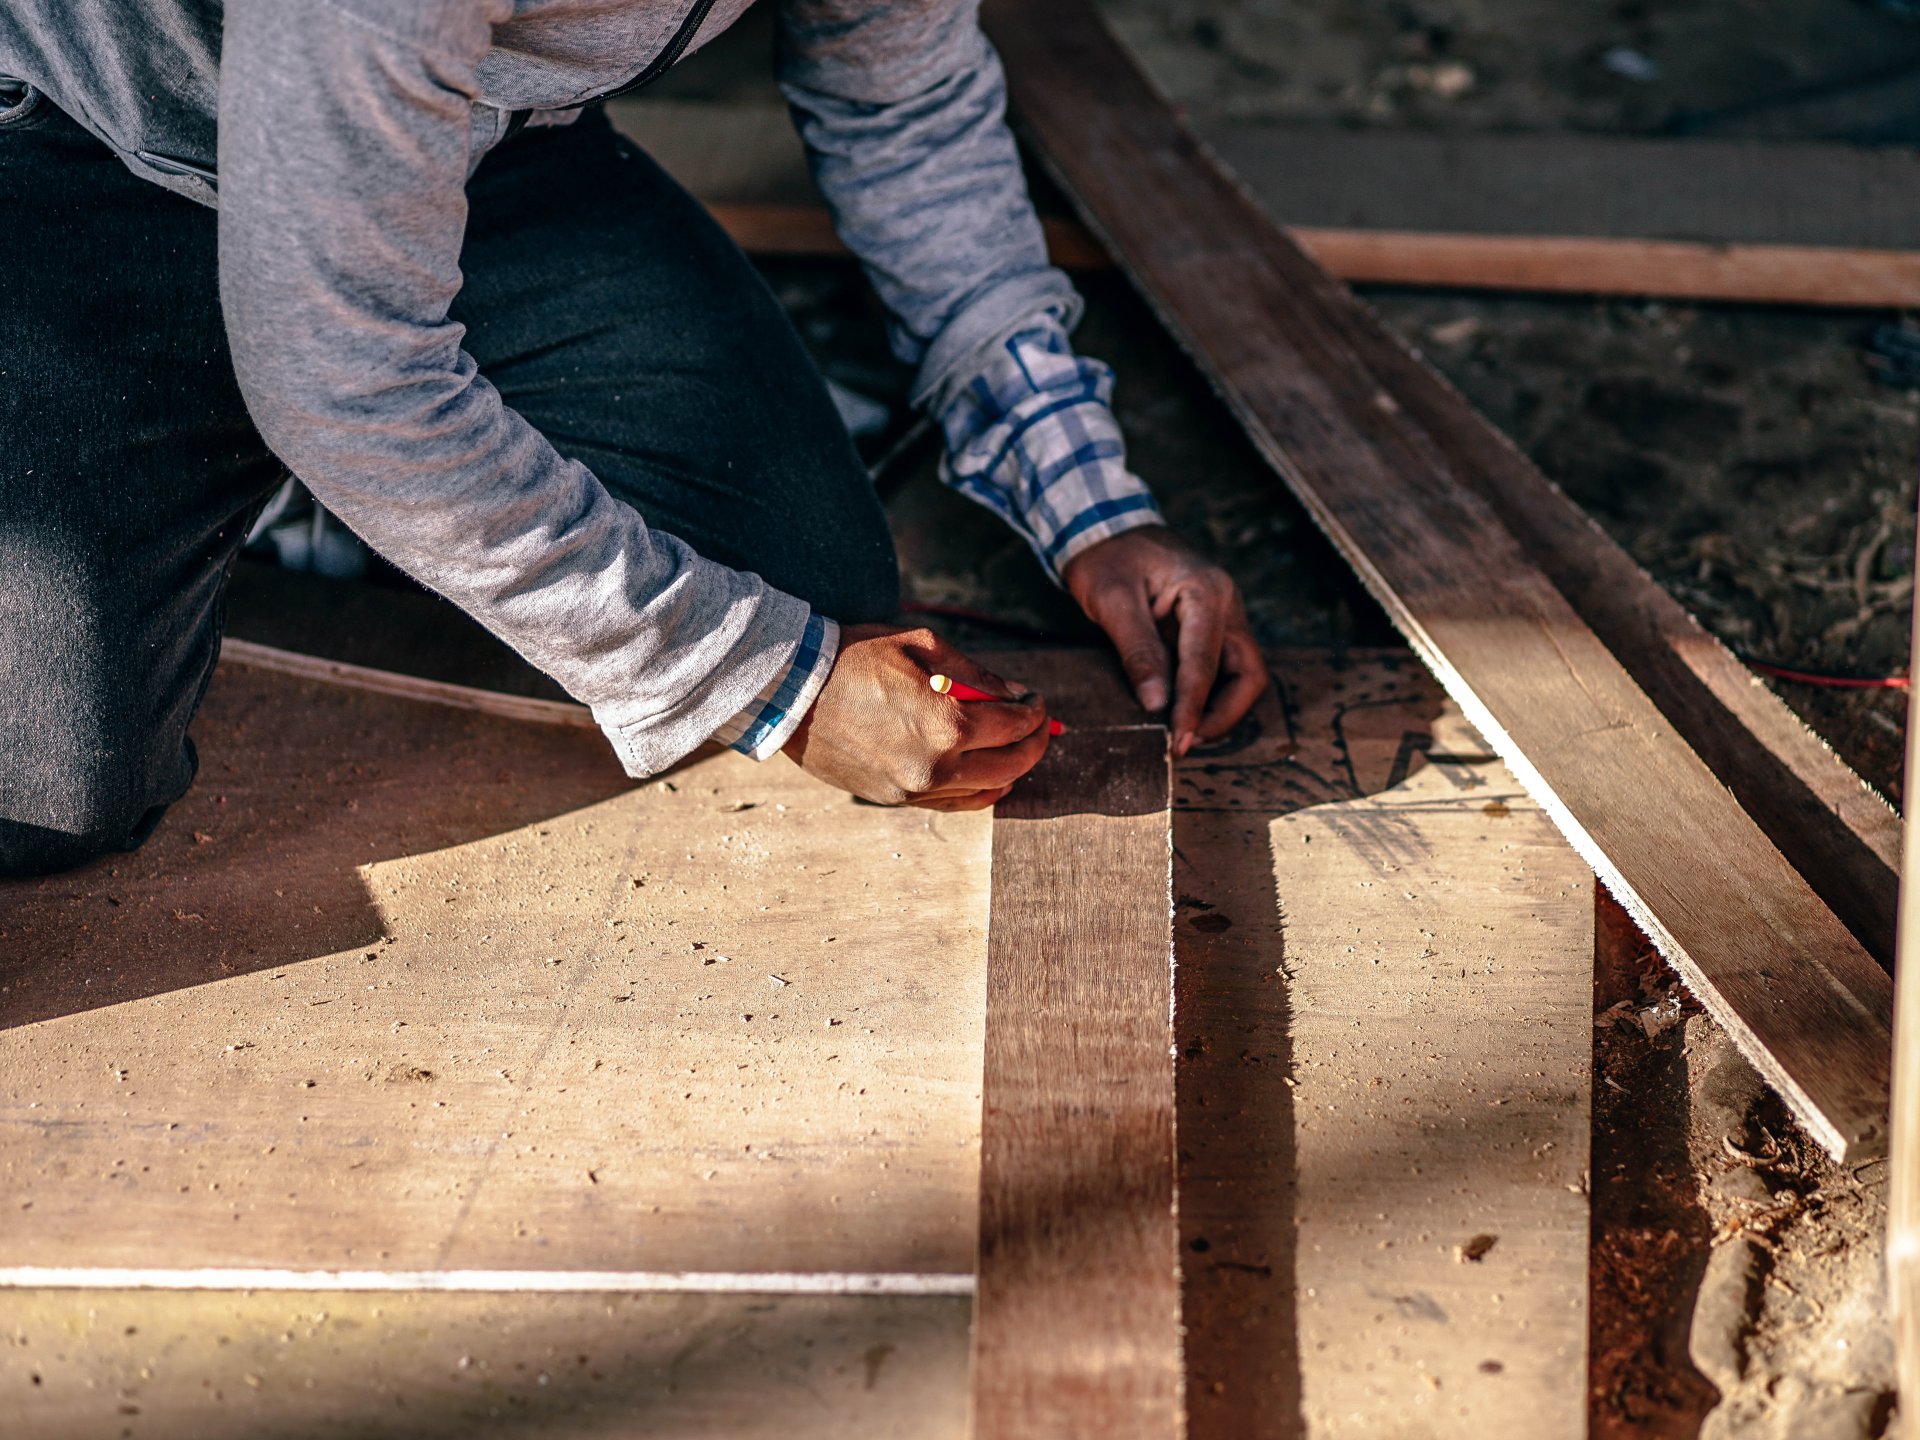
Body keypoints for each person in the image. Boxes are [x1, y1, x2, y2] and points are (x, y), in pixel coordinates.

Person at [0, 0, 1268, 878]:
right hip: (90, 154)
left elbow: (909, 115)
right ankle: (303, 496)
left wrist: (1091, 506)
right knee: (44, 792)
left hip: (475, 151)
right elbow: (345, 378)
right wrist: (779, 683)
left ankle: (355, 506)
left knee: (814, 590)